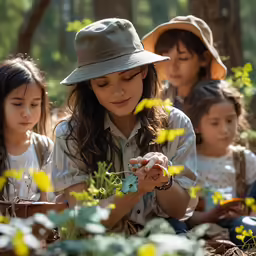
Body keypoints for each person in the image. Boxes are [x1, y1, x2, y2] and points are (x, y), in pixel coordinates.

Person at [51, 18, 198, 233]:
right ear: (90, 85)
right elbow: (83, 221)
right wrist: (134, 188)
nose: (117, 91)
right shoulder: (71, 135)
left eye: (127, 77)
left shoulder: (176, 124)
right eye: (103, 83)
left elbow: (181, 211)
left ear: (144, 71)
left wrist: (163, 181)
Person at [183, 80, 256, 246]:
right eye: (215, 123)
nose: (224, 130)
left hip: (240, 227)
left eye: (230, 121)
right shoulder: (188, 161)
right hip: (198, 230)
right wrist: (207, 217)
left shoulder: (245, 160)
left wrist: (246, 213)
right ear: (197, 125)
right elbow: (181, 212)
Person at [142, 15, 227, 110]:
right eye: (165, 58)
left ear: (204, 58)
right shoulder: (159, 98)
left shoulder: (217, 101)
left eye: (183, 58)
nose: (173, 66)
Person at [0, 57, 53, 202]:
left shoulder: (44, 147)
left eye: (34, 105)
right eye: (18, 104)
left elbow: (46, 202)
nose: (27, 113)